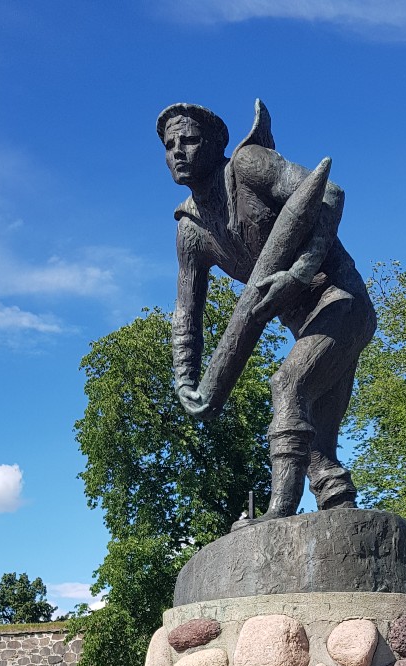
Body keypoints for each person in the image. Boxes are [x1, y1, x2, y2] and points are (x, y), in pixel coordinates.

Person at [156, 99, 376, 522]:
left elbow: (328, 192)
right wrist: (184, 378)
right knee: (316, 445)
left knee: (287, 386)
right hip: (305, 326)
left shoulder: (247, 165)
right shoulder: (191, 231)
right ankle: (338, 505)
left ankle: (279, 513)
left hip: (341, 302)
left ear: (216, 144)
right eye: (169, 145)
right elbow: (187, 313)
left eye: (190, 140)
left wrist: (299, 272)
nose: (178, 151)